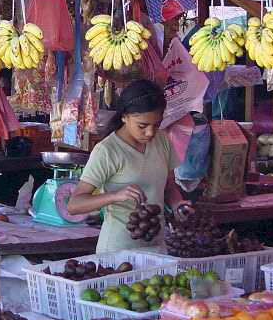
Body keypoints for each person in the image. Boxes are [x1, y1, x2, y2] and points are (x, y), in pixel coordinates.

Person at [67, 80, 191, 253]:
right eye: (142, 126)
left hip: (157, 246)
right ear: (124, 117)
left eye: (156, 125)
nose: (150, 132)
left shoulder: (162, 140)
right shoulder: (107, 151)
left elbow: (169, 186)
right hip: (118, 249)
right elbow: (74, 205)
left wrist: (178, 204)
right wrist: (115, 196)